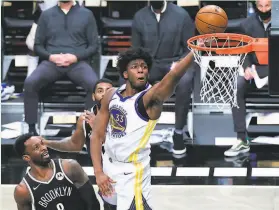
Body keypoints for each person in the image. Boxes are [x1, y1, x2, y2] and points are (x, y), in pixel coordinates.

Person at [90, 47, 194, 209]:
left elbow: (173, 77)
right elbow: (96, 135)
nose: (141, 70)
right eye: (135, 67)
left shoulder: (151, 98)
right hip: (109, 167)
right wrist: (98, 172)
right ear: (125, 74)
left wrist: (195, 52)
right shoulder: (111, 95)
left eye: (144, 67)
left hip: (133, 174)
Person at [24, 0, 99, 135]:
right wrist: (51, 57)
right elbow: (38, 46)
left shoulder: (87, 15)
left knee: (94, 85)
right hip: (52, 62)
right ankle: (31, 129)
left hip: (77, 62)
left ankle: (89, 127)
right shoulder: (46, 15)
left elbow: (94, 46)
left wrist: (75, 57)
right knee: (30, 83)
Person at [131, 0, 196, 155]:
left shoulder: (181, 15)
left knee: (185, 81)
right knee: (130, 80)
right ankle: (135, 133)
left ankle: (178, 132)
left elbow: (189, 48)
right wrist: (141, 67)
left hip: (174, 63)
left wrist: (179, 63)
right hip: (149, 64)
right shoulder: (139, 17)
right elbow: (135, 49)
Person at [224, 0, 271, 157]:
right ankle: (241, 138)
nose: (264, 10)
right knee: (235, 85)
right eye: (261, 6)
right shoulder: (246, 25)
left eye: (267, 6)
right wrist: (246, 67)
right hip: (255, 70)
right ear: (255, 6)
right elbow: (243, 52)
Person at [13, 133, 101, 210]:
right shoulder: (23, 190)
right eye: (36, 147)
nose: (43, 148)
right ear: (27, 158)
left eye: (42, 144)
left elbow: (92, 203)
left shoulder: (70, 167)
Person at [43, 78, 113, 156]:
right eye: (100, 91)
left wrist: (97, 128)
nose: (104, 94)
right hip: (98, 166)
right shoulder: (85, 118)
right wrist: (47, 142)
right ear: (93, 96)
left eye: (108, 91)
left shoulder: (123, 116)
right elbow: (74, 144)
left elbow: (122, 146)